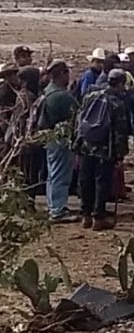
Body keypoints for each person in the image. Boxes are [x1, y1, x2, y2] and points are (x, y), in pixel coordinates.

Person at [73, 69, 132, 230]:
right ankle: (98, 217)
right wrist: (121, 154)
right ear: (120, 83)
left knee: (85, 180)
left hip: (86, 146)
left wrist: (77, 142)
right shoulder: (117, 104)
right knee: (102, 182)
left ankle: (86, 215)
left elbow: (79, 120)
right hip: (105, 149)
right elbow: (121, 132)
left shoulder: (90, 97)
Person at [39, 61, 77, 223]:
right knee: (60, 175)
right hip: (61, 139)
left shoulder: (48, 92)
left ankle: (54, 205)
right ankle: (57, 210)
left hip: (51, 138)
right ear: (61, 74)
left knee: (53, 174)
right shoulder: (61, 96)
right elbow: (76, 114)